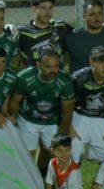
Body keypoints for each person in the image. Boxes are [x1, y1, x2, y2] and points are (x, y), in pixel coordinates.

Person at [8, 46, 75, 175]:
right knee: (27, 154)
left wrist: (61, 137)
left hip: (52, 121)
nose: (53, 70)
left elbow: (67, 113)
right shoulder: (24, 77)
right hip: (28, 119)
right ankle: (25, 180)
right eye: (48, 67)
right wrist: (14, 117)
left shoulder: (65, 82)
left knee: (51, 153)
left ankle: (43, 176)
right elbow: (15, 101)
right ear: (38, 64)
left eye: (56, 66)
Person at [70, 46, 104, 163]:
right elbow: (66, 104)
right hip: (79, 115)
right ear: (91, 62)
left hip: (103, 116)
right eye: (100, 62)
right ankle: (72, 180)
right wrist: (70, 128)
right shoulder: (78, 78)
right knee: (74, 155)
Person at [17, 0, 73, 68]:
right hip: (33, 77)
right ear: (34, 9)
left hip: (57, 76)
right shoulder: (22, 32)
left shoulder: (60, 27)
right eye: (43, 8)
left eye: (50, 8)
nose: (47, 12)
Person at [64, 0, 104, 73]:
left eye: (100, 14)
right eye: (92, 14)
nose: (97, 18)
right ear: (84, 16)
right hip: (78, 82)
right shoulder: (72, 37)